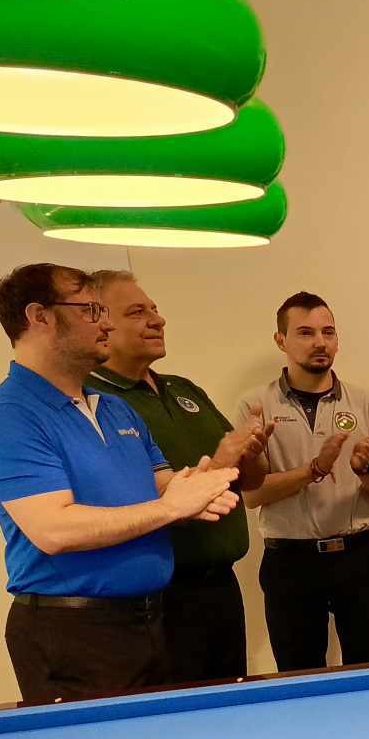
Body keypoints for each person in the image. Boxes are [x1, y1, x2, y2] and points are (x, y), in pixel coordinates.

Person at [0, 263, 239, 705]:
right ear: (39, 317)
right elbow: (54, 529)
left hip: (154, 620)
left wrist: (202, 483)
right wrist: (172, 507)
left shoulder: (115, 408)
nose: (107, 324)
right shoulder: (6, 417)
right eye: (91, 310)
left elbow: (161, 486)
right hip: (73, 634)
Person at [85, 270, 266, 682]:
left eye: (155, 309)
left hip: (221, 588)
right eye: (137, 312)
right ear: (100, 323)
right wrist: (222, 460)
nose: (158, 320)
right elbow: (127, 499)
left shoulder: (184, 389)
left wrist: (249, 454)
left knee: (230, 707)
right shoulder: (95, 402)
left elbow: (251, 481)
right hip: (157, 599)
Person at [239, 292, 369, 671]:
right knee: (300, 677)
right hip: (289, 561)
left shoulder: (366, 403)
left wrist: (363, 471)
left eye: (328, 332)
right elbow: (252, 496)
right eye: (305, 332)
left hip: (360, 557)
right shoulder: (255, 406)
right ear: (280, 340)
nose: (320, 342)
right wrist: (313, 469)